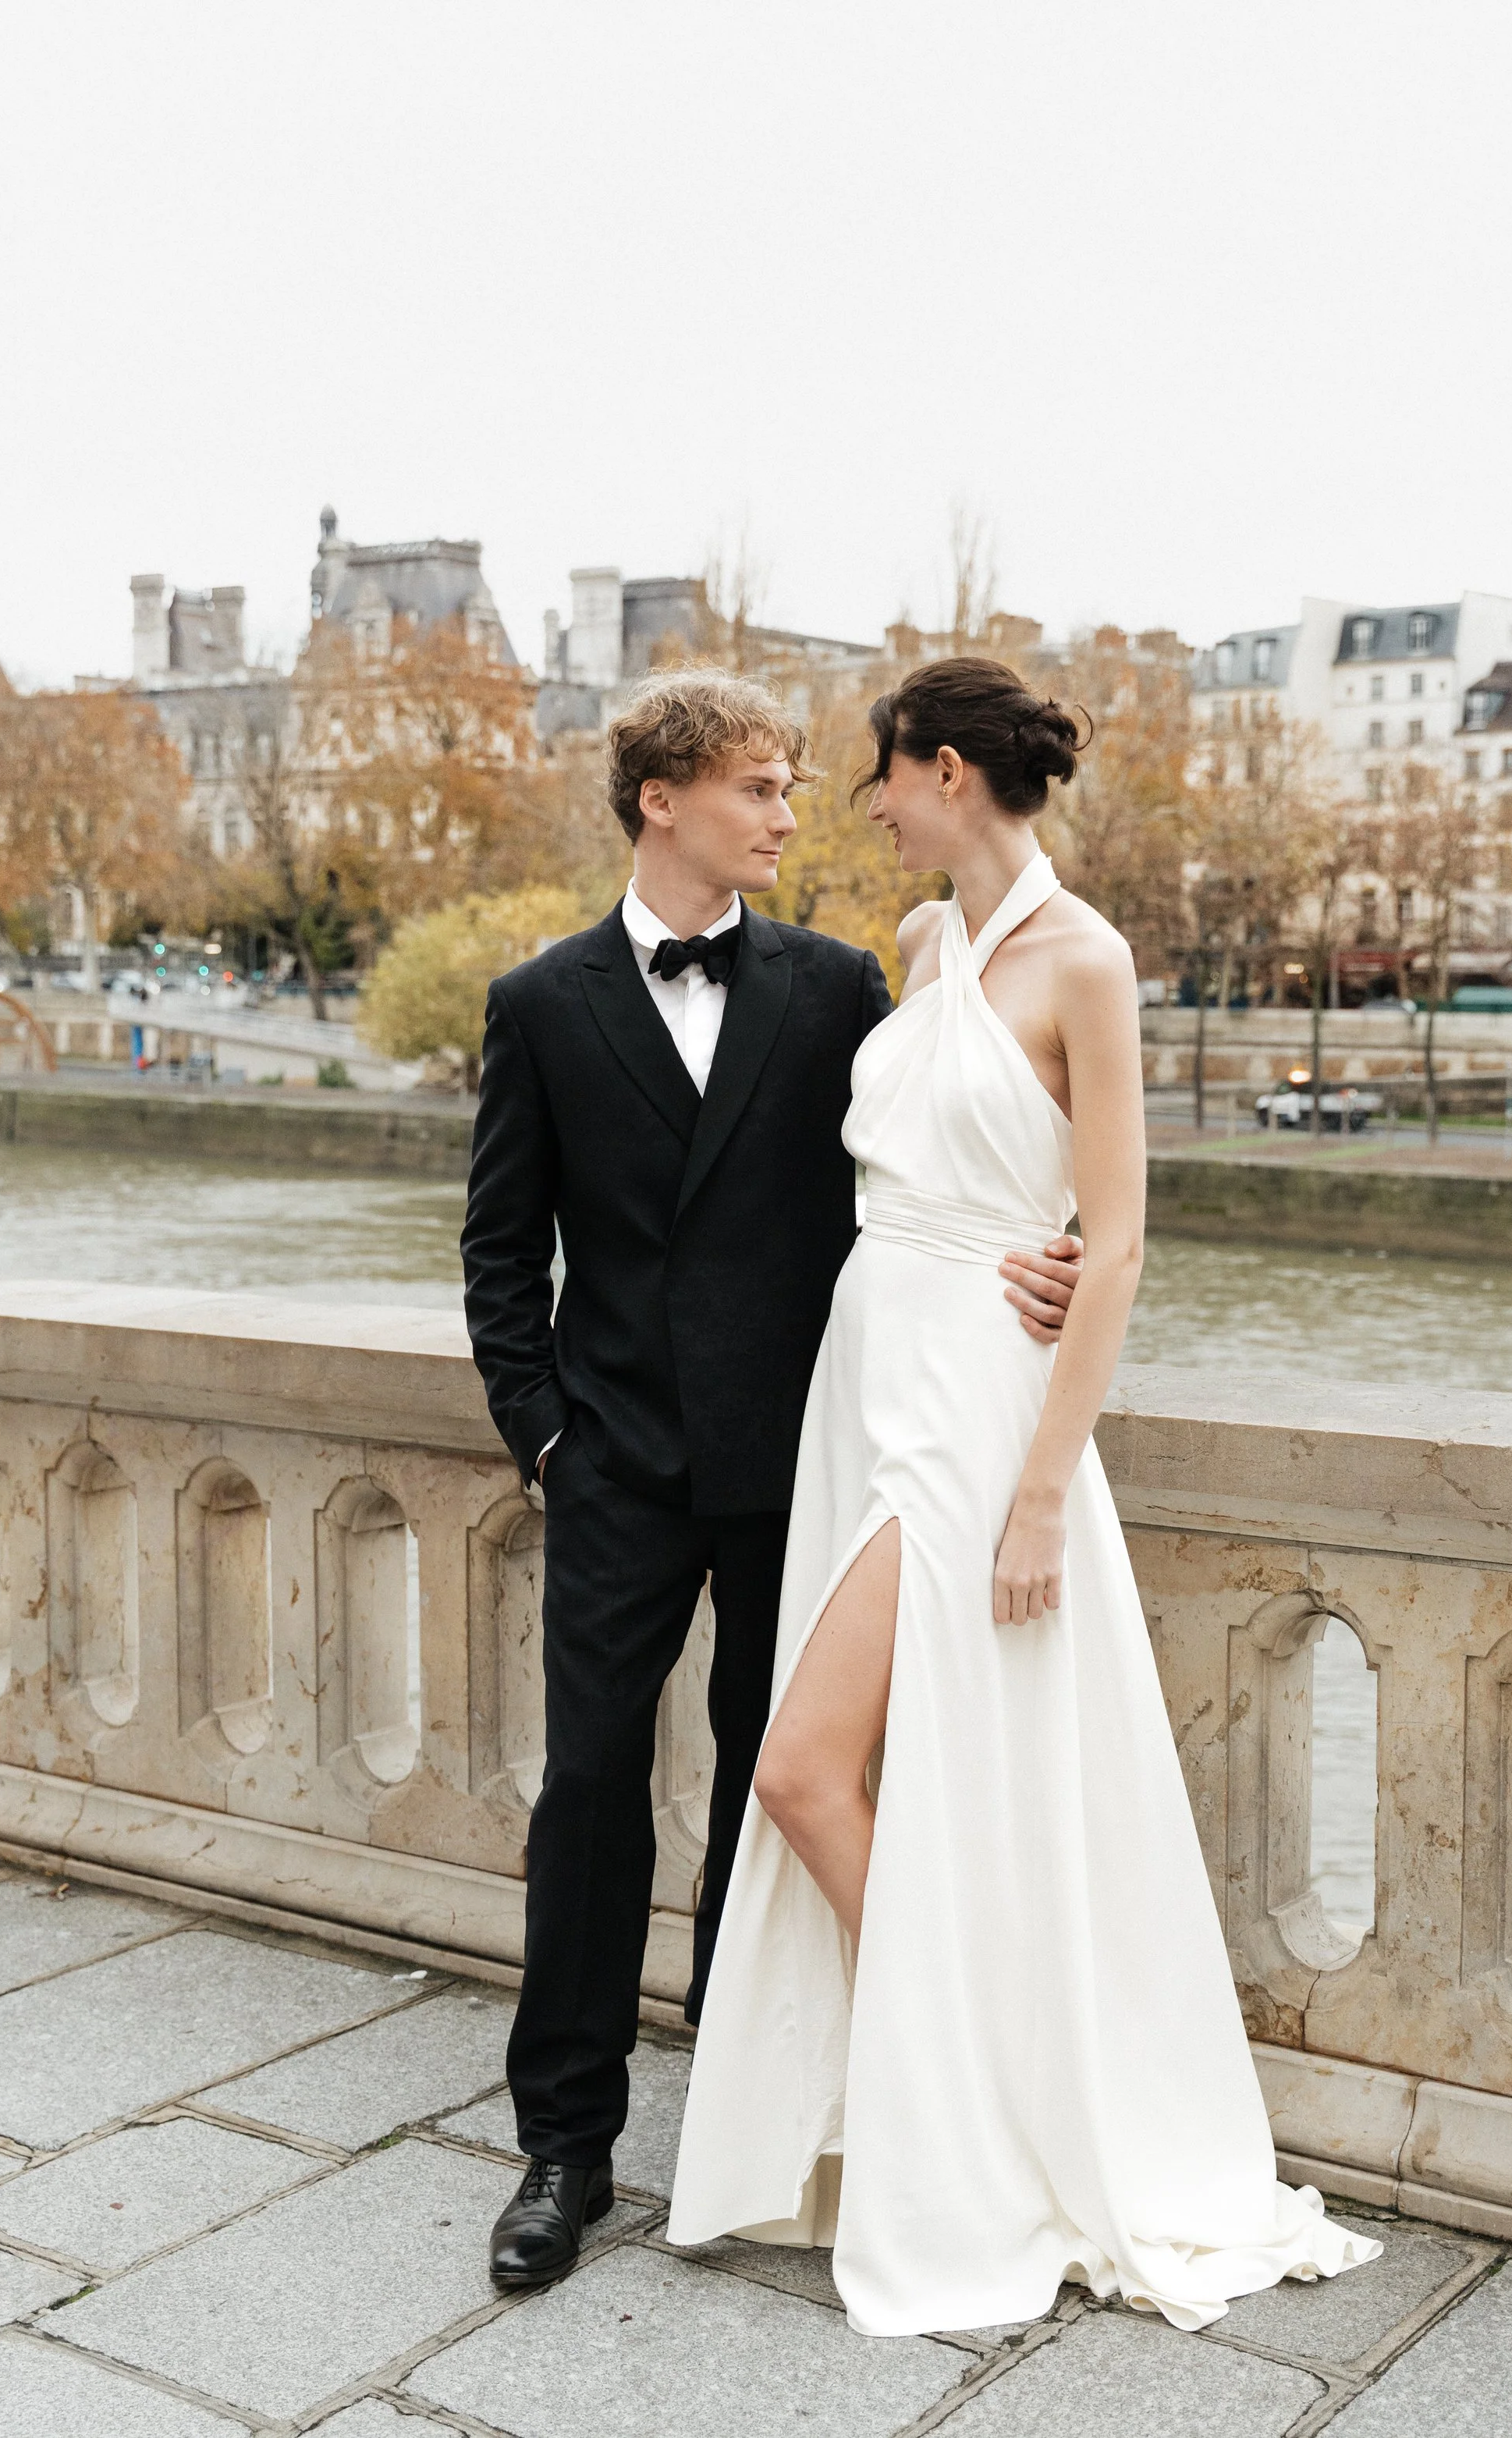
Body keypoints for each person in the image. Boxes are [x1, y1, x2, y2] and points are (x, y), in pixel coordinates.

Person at [668, 658, 1381, 2336]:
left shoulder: (1088, 958)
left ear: (939, 768)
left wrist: (1044, 1489)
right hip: (871, 1369)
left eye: (876, 775)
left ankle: (973, 2091)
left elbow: (1116, 1236)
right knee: (860, 1769)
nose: (861, 805)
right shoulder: (922, 949)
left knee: (794, 1767)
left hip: (978, 1412)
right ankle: (958, 2078)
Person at [460, 669, 1083, 2292]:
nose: (790, 814)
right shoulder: (539, 1001)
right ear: (660, 799)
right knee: (587, 1793)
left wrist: (1056, 1256)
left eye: (800, 787)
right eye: (756, 788)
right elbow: (497, 1251)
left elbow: (943, 1159)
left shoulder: (837, 986)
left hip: (805, 1455)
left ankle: (740, 2114)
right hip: (611, 1469)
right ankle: (564, 2146)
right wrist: (544, 1435)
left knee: (767, 1784)